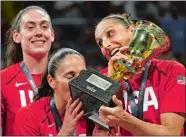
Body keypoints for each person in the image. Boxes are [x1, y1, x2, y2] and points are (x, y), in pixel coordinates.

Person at [94, 13, 186, 135]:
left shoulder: (171, 70)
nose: (106, 45)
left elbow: (171, 133)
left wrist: (123, 119)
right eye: (100, 43)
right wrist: (112, 82)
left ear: (132, 30)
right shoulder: (101, 79)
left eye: (110, 34)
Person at [13, 48, 114, 136]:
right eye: (70, 76)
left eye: (83, 75)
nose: (80, 84)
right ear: (51, 81)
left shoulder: (94, 116)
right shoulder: (29, 115)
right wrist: (65, 133)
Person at [1, 5, 54, 135]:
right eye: (30, 27)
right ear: (17, 36)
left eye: (44, 26)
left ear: (52, 35)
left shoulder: (67, 78)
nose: (39, 32)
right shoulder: (3, 80)